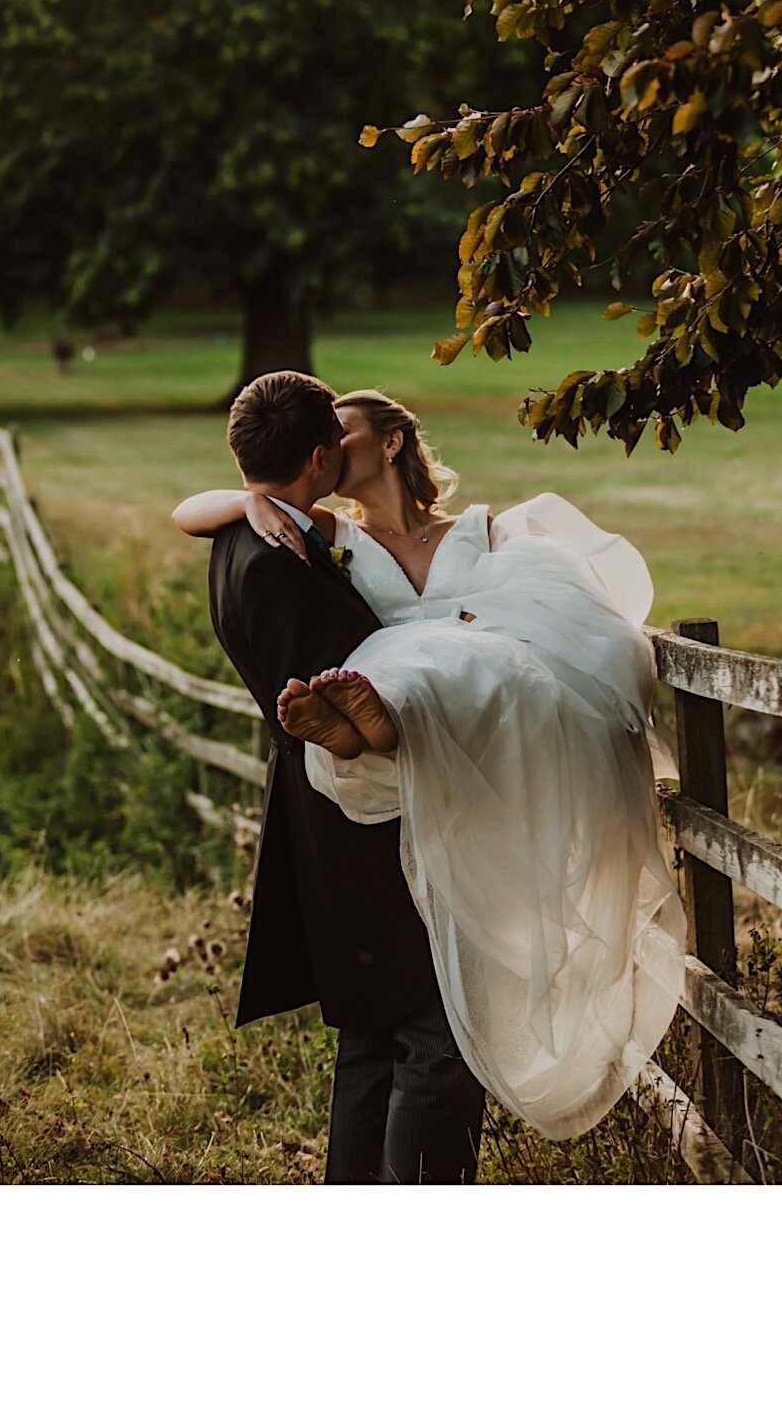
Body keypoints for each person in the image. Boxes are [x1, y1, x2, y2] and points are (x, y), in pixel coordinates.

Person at [175, 382, 686, 1143]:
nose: (335, 447)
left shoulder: (484, 532)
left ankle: (383, 718)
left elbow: (562, 612)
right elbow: (201, 507)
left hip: (478, 760)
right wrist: (247, 502)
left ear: (388, 442)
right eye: (327, 438)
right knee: (417, 1024)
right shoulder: (324, 537)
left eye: (348, 433)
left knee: (493, 658)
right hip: (394, 775)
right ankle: (367, 728)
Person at [179, 371, 485, 1185]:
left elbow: (197, 511)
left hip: (334, 821)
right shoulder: (277, 564)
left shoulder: (255, 533)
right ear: (318, 457)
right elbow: (329, 694)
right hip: (355, 821)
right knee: (436, 1026)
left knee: (373, 1032)